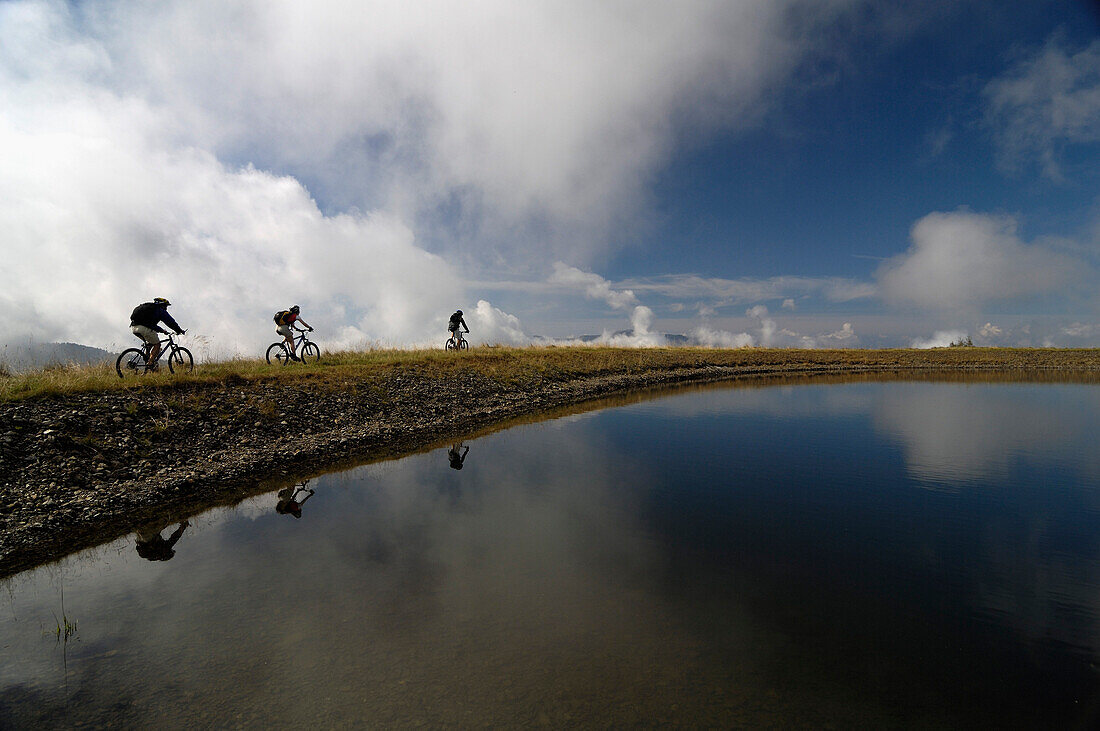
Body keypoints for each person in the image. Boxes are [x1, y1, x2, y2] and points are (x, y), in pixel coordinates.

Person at [130, 297, 185, 369]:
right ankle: (150, 363)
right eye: (165, 306)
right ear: (162, 305)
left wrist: (162, 330)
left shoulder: (150, 308)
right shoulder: (160, 310)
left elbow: (151, 324)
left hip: (134, 328)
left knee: (150, 344)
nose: (166, 308)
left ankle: (147, 359)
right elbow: (170, 322)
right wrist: (179, 330)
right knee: (157, 345)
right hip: (144, 328)